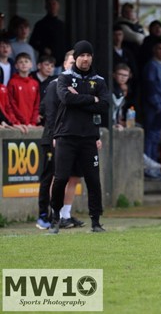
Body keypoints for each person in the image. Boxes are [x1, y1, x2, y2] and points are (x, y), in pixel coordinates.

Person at [49, 40, 110, 234]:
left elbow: (105, 104)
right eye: (82, 55)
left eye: (88, 55)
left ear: (92, 57)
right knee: (60, 178)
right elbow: (66, 98)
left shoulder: (99, 80)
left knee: (93, 180)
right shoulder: (65, 78)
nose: (85, 59)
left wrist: (81, 99)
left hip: (89, 138)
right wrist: (92, 98)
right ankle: (55, 218)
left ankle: (96, 221)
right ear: (75, 57)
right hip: (66, 136)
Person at [37, 50, 86, 230]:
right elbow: (49, 113)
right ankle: (50, 215)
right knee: (55, 177)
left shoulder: (84, 85)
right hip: (56, 138)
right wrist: (56, 135)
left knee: (73, 177)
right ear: (65, 64)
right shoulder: (55, 85)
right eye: (72, 61)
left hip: (76, 139)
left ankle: (65, 215)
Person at [142, 38, 161, 179]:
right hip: (154, 108)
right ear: (155, 50)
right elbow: (150, 87)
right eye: (160, 49)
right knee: (150, 138)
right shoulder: (151, 66)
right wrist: (158, 105)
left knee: (156, 138)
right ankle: (148, 169)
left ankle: (155, 168)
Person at [29, 0, 66, 74]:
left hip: (60, 64)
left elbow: (67, 43)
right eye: (49, 4)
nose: (52, 6)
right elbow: (32, 42)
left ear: (58, 6)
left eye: (54, 4)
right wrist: (43, 48)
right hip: (45, 63)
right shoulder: (40, 24)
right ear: (46, 6)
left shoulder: (62, 25)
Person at [6, 52, 40, 125]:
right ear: (16, 66)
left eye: (26, 61)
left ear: (31, 65)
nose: (24, 64)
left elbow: (36, 105)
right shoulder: (12, 82)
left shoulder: (35, 83)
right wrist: (17, 122)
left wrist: (33, 122)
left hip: (31, 125)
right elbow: (11, 104)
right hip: (18, 124)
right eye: (20, 62)